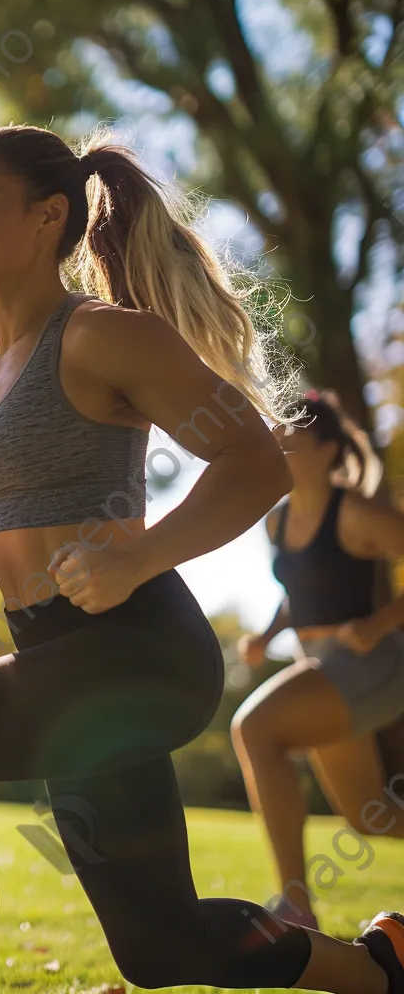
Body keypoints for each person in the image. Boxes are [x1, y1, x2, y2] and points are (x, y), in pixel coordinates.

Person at [0, 124, 404, 994]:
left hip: (138, 648)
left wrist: (140, 556)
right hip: (56, 654)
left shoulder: (101, 337)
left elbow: (256, 461)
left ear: (50, 216)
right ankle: (381, 967)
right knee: (160, 948)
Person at [232, 390, 404, 931]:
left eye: (292, 439)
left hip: (372, 664)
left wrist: (378, 622)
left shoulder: (356, 510)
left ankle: (295, 906)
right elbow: (299, 593)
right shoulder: (277, 523)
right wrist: (267, 634)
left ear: (328, 449)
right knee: (370, 818)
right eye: (276, 436)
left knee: (255, 729)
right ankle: (297, 904)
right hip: (321, 667)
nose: (279, 446)